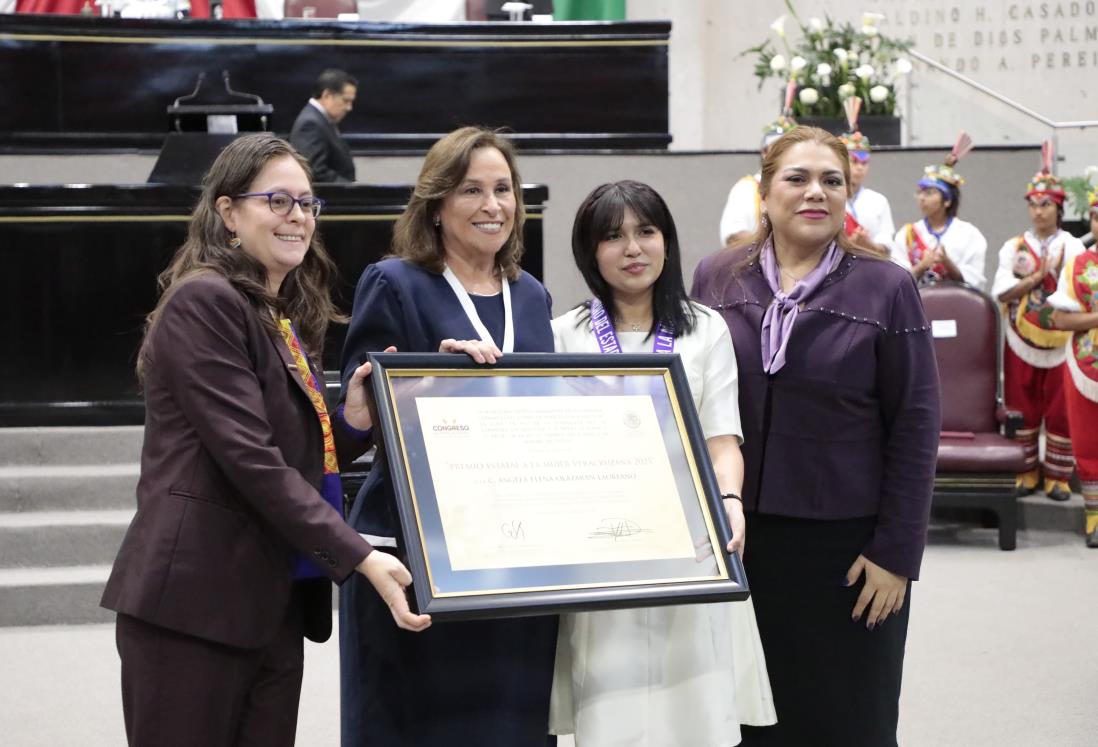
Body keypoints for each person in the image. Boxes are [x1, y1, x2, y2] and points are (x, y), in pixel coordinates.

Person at [100, 133, 429, 747]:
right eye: (277, 200)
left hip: (268, 601)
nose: (298, 217)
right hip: (193, 604)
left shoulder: (277, 315)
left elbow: (296, 454)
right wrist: (357, 551)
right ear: (227, 214)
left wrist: (354, 419)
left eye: (307, 204)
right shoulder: (204, 301)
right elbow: (250, 459)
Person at [692, 126, 941, 746]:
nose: (815, 193)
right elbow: (694, 401)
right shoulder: (718, 278)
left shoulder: (887, 286)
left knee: (848, 717)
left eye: (832, 180)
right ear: (765, 192)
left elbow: (915, 424)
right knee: (748, 718)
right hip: (741, 539)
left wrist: (896, 553)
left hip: (849, 551)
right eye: (797, 179)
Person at [338, 126, 558, 746]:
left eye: (503, 189)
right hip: (413, 550)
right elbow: (352, 428)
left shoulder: (533, 295)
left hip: (516, 555)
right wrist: (426, 379)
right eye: (471, 190)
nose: (493, 206)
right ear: (436, 204)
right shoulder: (395, 281)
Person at [549, 180, 776, 746]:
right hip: (601, 544)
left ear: (667, 243)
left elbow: (724, 439)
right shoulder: (563, 335)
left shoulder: (706, 329)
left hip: (690, 539)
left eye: (646, 232)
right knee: (610, 703)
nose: (632, 249)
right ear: (588, 252)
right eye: (613, 236)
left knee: (692, 703)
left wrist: (729, 503)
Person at [990, 150, 1085, 501]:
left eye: (1046, 204)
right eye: (1033, 204)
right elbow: (1000, 291)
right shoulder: (1013, 246)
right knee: (1022, 403)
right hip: (1021, 336)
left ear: (1059, 208)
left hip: (1062, 339)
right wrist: (1034, 278)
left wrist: (1051, 278)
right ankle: (1025, 471)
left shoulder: (1073, 247)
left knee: (1060, 408)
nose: (1038, 210)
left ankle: (1059, 477)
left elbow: (1077, 290)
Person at [1049, 185, 1098, 547]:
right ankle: (1094, 516)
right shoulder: (1079, 265)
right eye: (1096, 215)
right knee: (1088, 441)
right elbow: (1060, 321)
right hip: (1086, 366)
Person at [891, 133, 987, 289]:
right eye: (920, 192)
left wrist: (947, 263)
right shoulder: (907, 234)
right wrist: (922, 265)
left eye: (929, 193)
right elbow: (895, 282)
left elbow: (975, 283)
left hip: (957, 308)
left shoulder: (969, 234)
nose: (922, 198)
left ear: (947, 200)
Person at [719, 116, 797, 249]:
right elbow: (733, 235)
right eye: (777, 148)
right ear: (765, 153)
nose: (784, 154)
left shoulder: (809, 190)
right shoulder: (747, 188)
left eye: (790, 149)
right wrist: (777, 253)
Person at [290, 68, 357, 183]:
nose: (349, 108)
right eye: (346, 101)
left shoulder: (321, 120)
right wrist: (351, 188)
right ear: (327, 95)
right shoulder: (310, 124)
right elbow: (314, 170)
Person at [839, 128, 895, 258]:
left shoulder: (878, 201)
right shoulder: (828, 198)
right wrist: (848, 244)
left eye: (865, 162)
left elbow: (886, 246)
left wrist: (867, 244)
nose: (860, 167)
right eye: (854, 161)